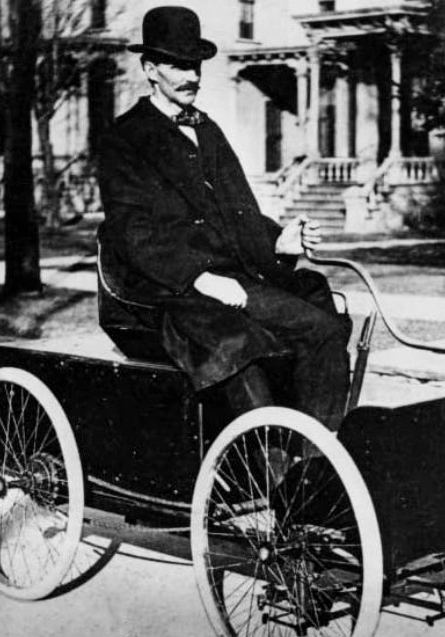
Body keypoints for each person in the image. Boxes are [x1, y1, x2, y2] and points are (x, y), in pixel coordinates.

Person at [95, 5, 351, 431]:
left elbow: (238, 211)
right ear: (150, 69)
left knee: (321, 320)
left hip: (229, 279)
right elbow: (133, 232)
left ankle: (314, 469)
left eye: (194, 65)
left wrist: (277, 241)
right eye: (178, 65)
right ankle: (273, 470)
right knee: (239, 345)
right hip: (167, 291)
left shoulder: (207, 129)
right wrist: (199, 277)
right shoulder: (124, 139)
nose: (192, 76)